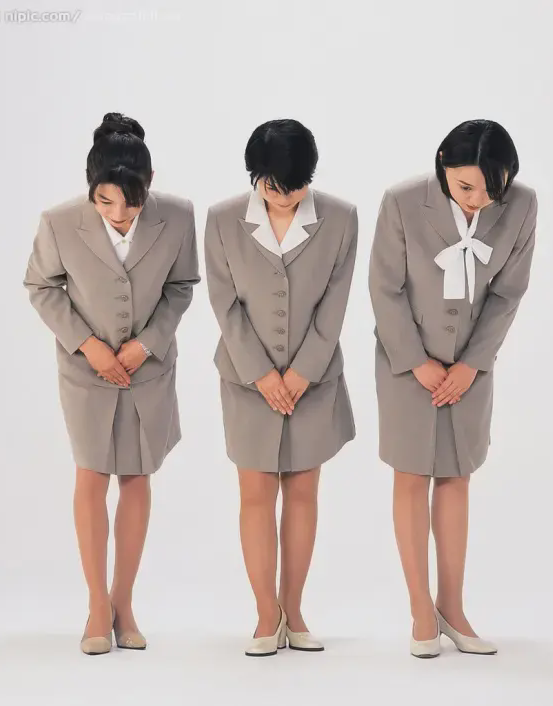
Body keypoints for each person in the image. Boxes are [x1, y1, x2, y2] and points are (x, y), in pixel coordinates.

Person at [23, 112, 200, 655]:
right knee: (91, 475)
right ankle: (96, 606)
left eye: (132, 203)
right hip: (85, 373)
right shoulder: (59, 222)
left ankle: (123, 602)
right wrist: (87, 344)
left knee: (137, 476)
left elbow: (181, 286)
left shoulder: (178, 215)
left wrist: (147, 343)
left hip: (148, 369)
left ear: (149, 185)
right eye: (105, 202)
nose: (119, 215)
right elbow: (41, 285)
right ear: (90, 187)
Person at [369, 119, 537, 658]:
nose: (477, 201)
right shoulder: (401, 201)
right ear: (443, 163)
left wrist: (473, 364)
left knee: (457, 477)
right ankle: (421, 609)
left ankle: (453, 607)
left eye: (492, 191)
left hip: (470, 368)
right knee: (411, 475)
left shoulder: (523, 205)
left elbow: (508, 294)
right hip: (406, 364)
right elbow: (385, 289)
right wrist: (415, 361)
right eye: (466, 187)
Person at [204, 119, 357, 656]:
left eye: (295, 186)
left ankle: (294, 609)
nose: (285, 195)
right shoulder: (222, 219)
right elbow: (224, 303)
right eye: (272, 186)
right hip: (248, 380)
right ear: (255, 175)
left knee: (303, 492)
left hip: (313, 381)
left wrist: (301, 373)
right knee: (255, 494)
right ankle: (265, 614)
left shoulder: (341, 218)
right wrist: (264, 375)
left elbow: (335, 303)